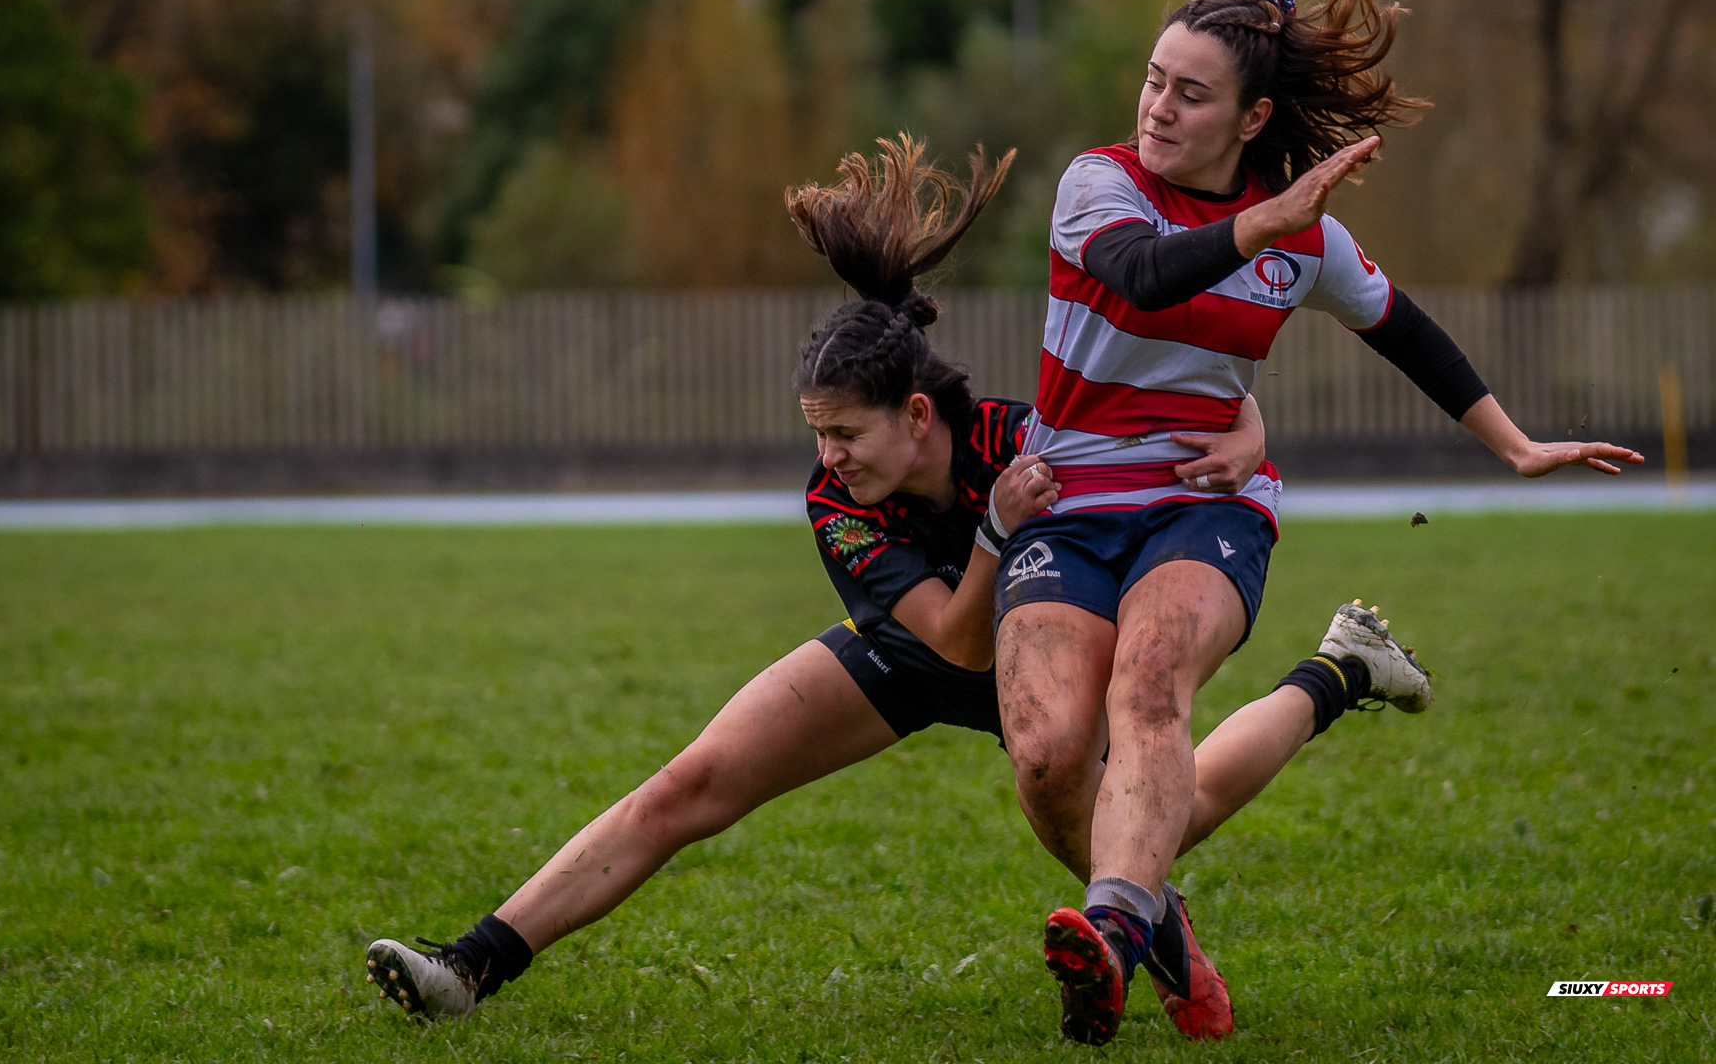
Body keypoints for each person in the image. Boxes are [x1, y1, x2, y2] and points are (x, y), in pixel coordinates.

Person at [359, 137, 1434, 1043]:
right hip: (922, 653)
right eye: (815, 434)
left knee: (1173, 808)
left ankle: (1339, 669)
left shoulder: (1023, 435)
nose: (828, 458)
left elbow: (1168, 412)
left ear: (918, 415)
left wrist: (1249, 425)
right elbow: (959, 645)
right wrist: (1000, 530)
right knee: (687, 788)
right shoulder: (842, 508)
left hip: (1052, 670)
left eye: (845, 434)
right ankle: (470, 968)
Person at [995, 0, 1645, 1047]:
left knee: (1149, 692)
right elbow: (1145, 281)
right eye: (1153, 80)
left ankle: (1106, 930)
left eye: (1189, 95)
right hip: (1068, 504)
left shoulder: (1307, 243)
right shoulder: (1097, 185)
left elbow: (1408, 332)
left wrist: (1515, 444)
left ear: (1251, 119)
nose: (1156, 108)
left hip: (1207, 504)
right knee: (1056, 762)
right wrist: (1264, 223)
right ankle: (1171, 889)